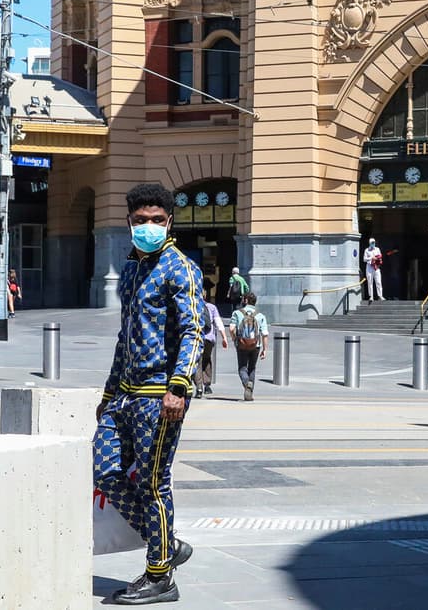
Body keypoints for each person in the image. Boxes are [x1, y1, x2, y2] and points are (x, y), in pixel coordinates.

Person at [93, 182, 204, 605]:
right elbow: (125, 337)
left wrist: (179, 387)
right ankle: (168, 545)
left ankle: (160, 575)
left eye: (157, 220)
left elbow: (195, 331)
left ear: (169, 221)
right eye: (141, 221)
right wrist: (108, 393)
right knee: (106, 472)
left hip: (160, 395)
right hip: (123, 395)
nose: (149, 227)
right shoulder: (132, 270)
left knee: (153, 483)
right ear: (129, 223)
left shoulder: (180, 268)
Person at [230, 291, 269, 401]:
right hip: (255, 345)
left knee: (242, 367)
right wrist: (265, 349)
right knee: (252, 368)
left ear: (246, 300)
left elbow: (232, 328)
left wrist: (234, 339)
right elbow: (265, 334)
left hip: (241, 344)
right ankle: (249, 394)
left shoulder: (237, 313)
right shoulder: (260, 316)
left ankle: (247, 384)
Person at [196, 282, 228, 398]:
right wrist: (224, 337)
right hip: (209, 338)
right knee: (207, 360)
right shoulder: (212, 307)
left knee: (197, 362)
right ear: (205, 296)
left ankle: (199, 388)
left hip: (197, 338)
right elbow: (219, 323)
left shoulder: (193, 306)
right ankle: (207, 386)